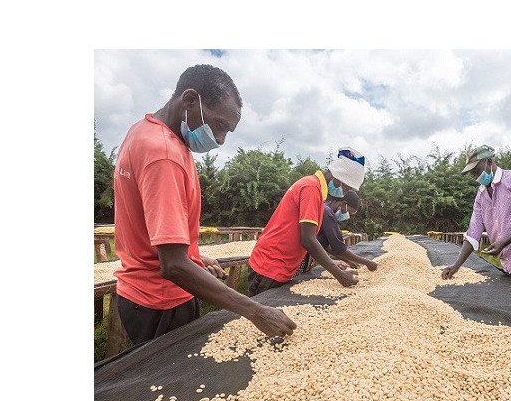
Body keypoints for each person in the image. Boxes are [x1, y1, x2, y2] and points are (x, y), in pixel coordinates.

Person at [112, 64, 297, 347]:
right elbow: (173, 265)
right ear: (189, 100)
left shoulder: (143, 132)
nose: (221, 140)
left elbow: (154, 233)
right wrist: (256, 311)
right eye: (219, 126)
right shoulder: (164, 155)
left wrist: (194, 256)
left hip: (139, 293)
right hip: (161, 301)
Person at [247, 147, 369, 295]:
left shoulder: (315, 189)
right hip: (270, 266)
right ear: (339, 179)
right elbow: (308, 240)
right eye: (346, 188)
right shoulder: (311, 188)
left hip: (279, 265)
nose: (344, 194)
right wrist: (339, 274)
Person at [440, 144, 511, 286]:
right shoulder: (481, 196)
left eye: (476, 170)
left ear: (489, 161)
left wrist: (503, 243)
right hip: (507, 261)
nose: (474, 176)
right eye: (471, 173)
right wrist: (456, 266)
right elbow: (473, 233)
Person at [299, 186, 379, 276]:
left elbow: (327, 246)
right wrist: (367, 262)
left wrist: (347, 260)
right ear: (343, 204)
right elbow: (339, 248)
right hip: (299, 256)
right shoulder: (327, 213)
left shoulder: (325, 208)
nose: (347, 215)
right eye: (348, 212)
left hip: (304, 256)